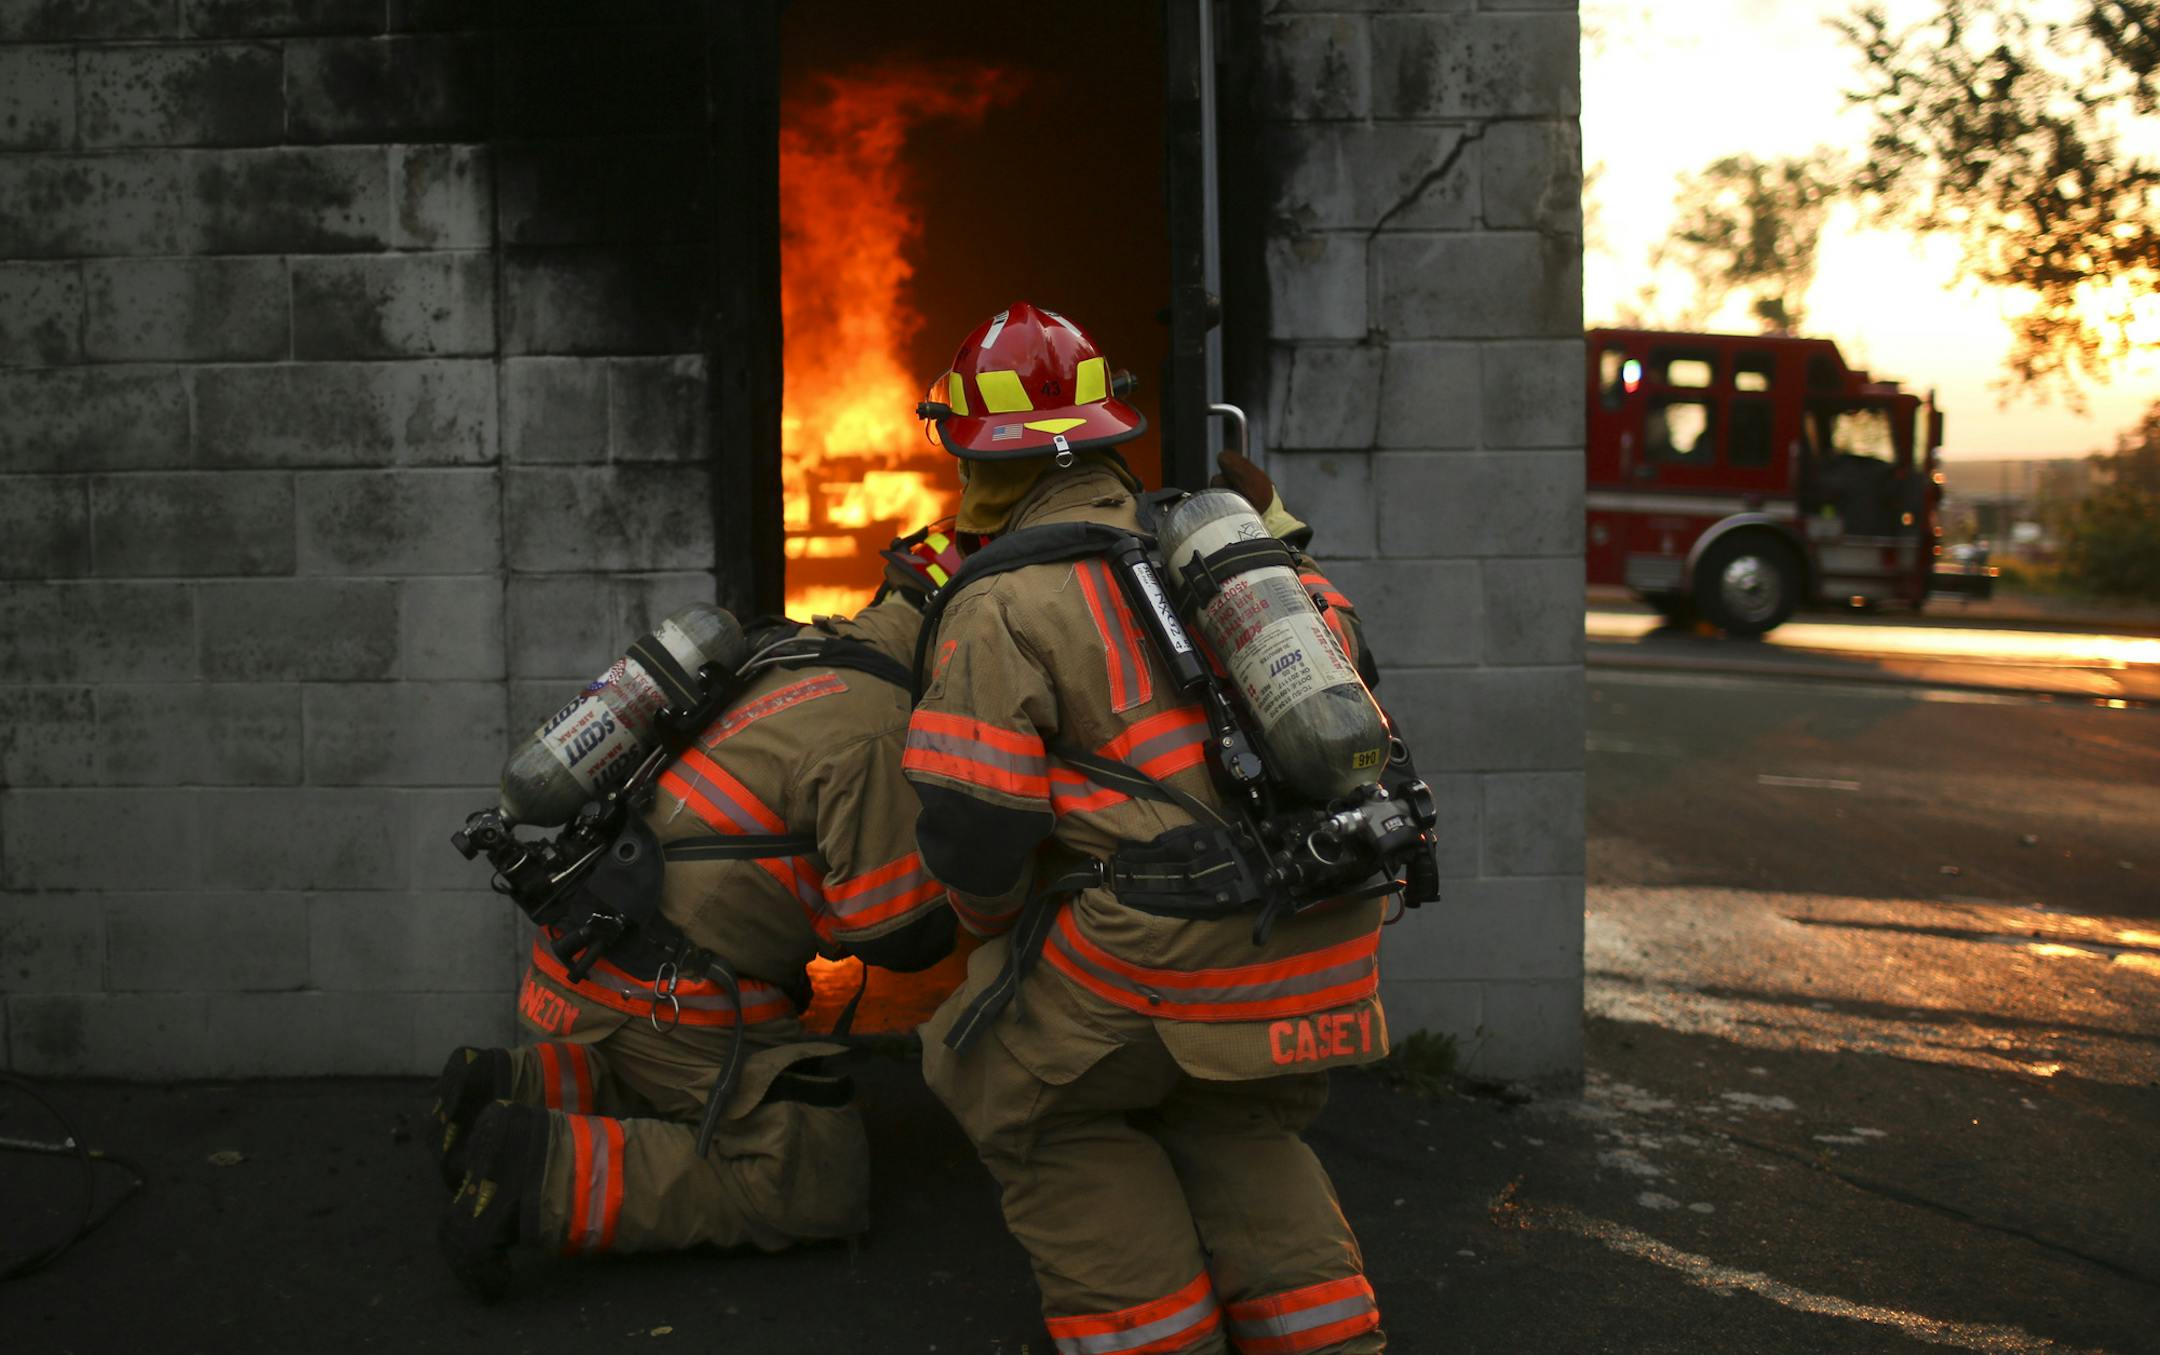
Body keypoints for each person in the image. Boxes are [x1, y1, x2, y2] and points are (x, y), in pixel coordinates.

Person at [906, 302, 1393, 1354]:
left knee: (1011, 1084)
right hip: (1324, 923)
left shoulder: (1002, 603)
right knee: (1235, 1117)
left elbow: (975, 825)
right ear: (1109, 433)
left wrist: (992, 927)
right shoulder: (1249, 565)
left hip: (1170, 950)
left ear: (977, 459)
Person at [429, 536, 968, 1301]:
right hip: (666, 1001)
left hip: (580, 956)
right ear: (956, 626)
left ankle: (508, 1085)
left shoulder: (782, 648)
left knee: (672, 1087)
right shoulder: (884, 722)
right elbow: (897, 935)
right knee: (814, 1161)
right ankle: (537, 1170)